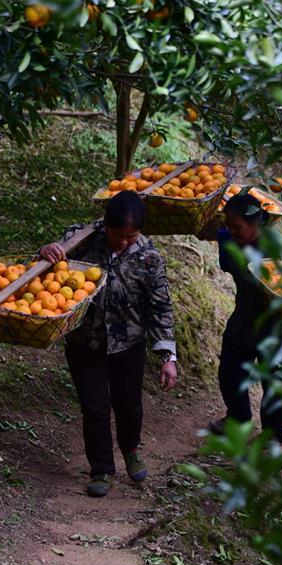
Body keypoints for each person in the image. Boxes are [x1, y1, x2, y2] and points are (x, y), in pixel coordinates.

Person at [39, 191, 178, 498]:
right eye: (118, 235)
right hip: (84, 342)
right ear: (105, 225)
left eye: (132, 236)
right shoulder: (80, 241)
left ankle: (130, 450)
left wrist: (168, 355)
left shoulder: (149, 258)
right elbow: (48, 277)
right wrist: (45, 254)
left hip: (128, 344)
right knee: (95, 407)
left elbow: (160, 308)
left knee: (128, 406)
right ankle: (101, 468)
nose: (124, 242)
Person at [209, 191, 282, 443]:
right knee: (229, 373)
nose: (232, 230)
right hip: (243, 318)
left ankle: (273, 434)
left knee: (273, 382)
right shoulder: (230, 241)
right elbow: (226, 261)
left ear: (255, 224)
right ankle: (237, 419)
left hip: (275, 326)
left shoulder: (276, 250)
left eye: (236, 226)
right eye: (228, 226)